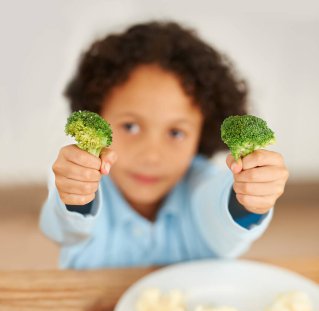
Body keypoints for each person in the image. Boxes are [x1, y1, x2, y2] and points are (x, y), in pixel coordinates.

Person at [40, 21, 289, 269]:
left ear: (202, 132)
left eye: (176, 132)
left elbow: (224, 217)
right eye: (130, 127)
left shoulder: (201, 185)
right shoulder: (88, 185)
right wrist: (76, 194)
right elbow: (62, 226)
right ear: (98, 114)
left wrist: (248, 197)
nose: (151, 156)